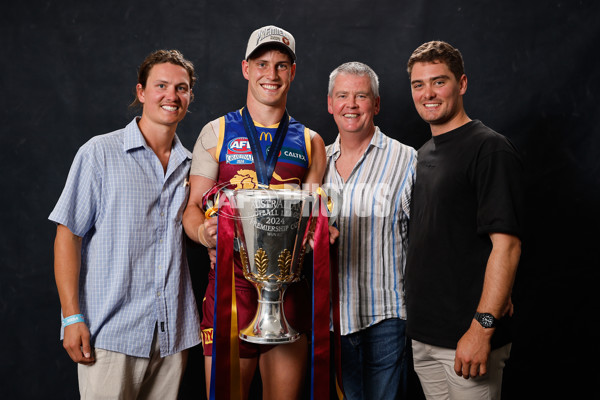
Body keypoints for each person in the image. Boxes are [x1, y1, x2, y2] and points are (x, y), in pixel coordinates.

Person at [182, 25, 327, 399]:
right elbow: (192, 210)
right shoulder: (216, 132)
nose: (272, 74)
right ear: (246, 68)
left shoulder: (311, 142)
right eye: (263, 64)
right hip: (231, 291)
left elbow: (314, 217)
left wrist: (316, 238)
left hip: (288, 292)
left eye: (282, 66)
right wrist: (204, 233)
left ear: (292, 72)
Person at [49, 49, 201, 399]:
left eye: (181, 88)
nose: (171, 96)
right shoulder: (99, 154)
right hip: (111, 334)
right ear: (141, 92)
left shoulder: (192, 166)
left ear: (190, 96)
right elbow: (67, 235)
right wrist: (71, 318)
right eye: (161, 85)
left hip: (172, 337)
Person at [404, 40, 524, 400]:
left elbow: (508, 245)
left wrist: (483, 327)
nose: (428, 93)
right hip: (425, 336)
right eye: (418, 84)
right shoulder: (424, 153)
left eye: (439, 82)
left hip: (467, 338)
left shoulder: (490, 149)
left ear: (462, 83)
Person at [323, 62, 417, 399]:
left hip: (386, 318)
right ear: (330, 103)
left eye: (361, 96)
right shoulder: (316, 163)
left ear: (375, 104)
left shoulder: (405, 160)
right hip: (331, 321)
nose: (351, 105)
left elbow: (426, 240)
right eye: (343, 96)